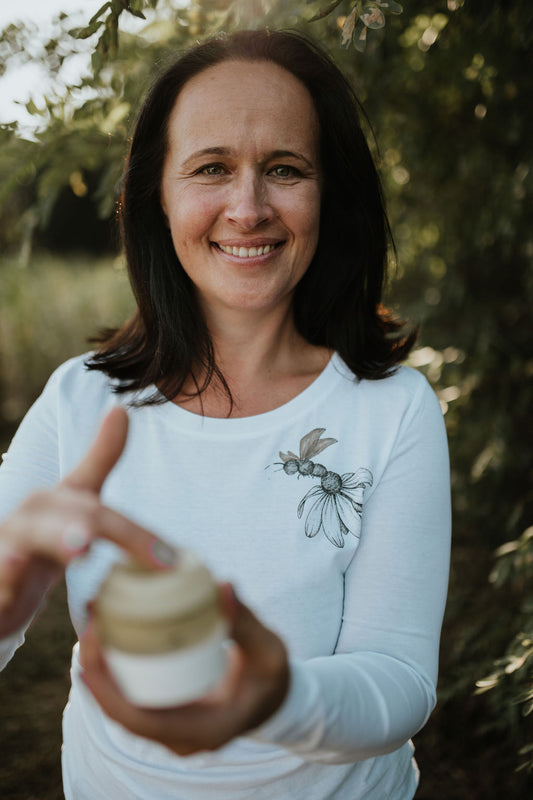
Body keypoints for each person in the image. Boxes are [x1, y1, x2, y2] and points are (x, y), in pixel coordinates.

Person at [0, 29, 451, 800]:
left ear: (327, 194)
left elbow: (398, 680)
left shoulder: (391, 410)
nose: (247, 208)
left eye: (284, 169)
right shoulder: (81, 402)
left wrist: (272, 698)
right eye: (211, 168)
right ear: (157, 196)